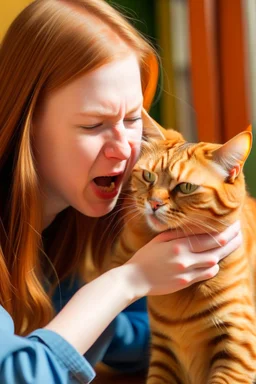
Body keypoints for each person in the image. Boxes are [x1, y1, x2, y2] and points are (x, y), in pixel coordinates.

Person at [0, 0, 242, 383]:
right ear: (26, 121)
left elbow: (102, 335)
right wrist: (127, 281)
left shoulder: (70, 224)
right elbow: (18, 375)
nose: (126, 148)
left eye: (133, 119)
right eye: (94, 124)